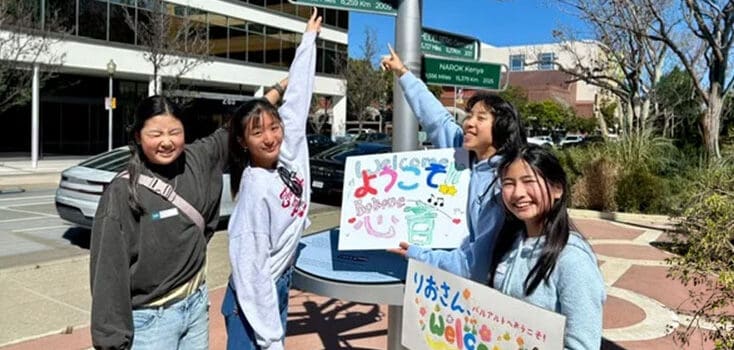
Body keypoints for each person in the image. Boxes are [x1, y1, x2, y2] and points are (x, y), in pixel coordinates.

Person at [89, 82, 284, 350]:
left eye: (175, 132)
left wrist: (280, 88)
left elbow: (237, 124)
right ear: (137, 136)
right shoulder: (123, 192)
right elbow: (108, 274)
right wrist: (112, 343)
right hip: (151, 321)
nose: (167, 142)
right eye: (156, 134)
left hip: (195, 305)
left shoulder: (198, 159)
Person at [382, 46, 527, 282]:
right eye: (469, 116)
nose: (469, 123)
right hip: (448, 275)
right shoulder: (464, 152)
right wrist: (403, 73)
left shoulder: (504, 183)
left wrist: (417, 253)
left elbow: (476, 266)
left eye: (481, 118)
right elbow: (436, 118)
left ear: (502, 128)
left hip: (482, 290)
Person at [220, 9, 320, 350]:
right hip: (251, 301)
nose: (270, 137)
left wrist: (309, 40)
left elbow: (298, 98)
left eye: (274, 127)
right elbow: (251, 270)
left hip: (277, 283)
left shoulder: (287, 152)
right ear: (242, 142)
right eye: (257, 132)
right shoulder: (255, 188)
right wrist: (271, 338)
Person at [490, 144, 605, 349]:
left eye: (528, 182)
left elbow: (582, 345)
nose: (518, 193)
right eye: (509, 183)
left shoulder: (573, 260)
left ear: (557, 188)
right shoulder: (510, 241)